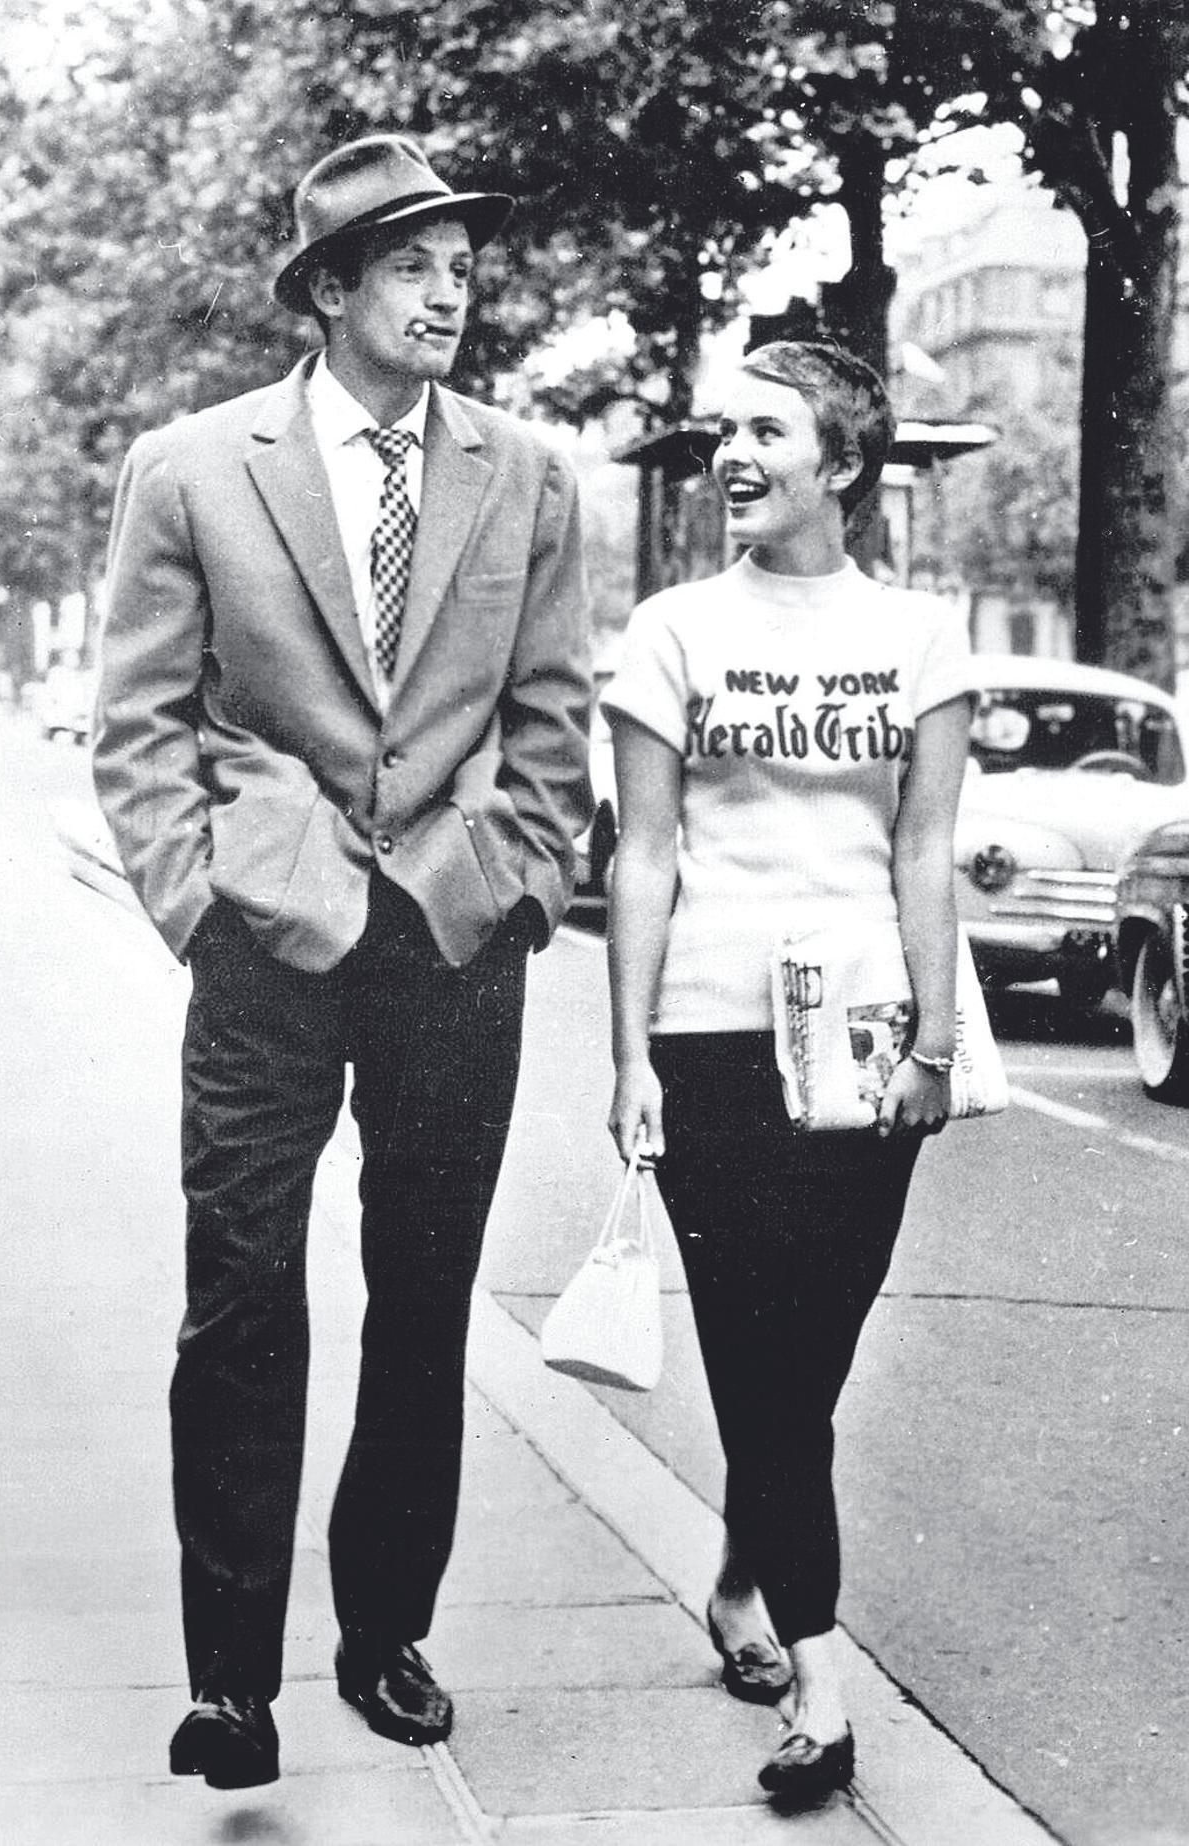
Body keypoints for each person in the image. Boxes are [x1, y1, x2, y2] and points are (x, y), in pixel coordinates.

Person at [93, 133, 593, 1791]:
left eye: (465, 264)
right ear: (328, 291)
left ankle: (385, 1633)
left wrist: (507, 883)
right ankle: (232, 1681)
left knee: (424, 1297)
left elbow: (551, 718)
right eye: (413, 265)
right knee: (237, 1295)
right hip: (268, 936)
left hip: (453, 940)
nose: (454, 291)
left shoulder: (528, 472)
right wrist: (197, 901)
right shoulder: (190, 467)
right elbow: (143, 719)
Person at [603, 340, 970, 1807]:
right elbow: (641, 852)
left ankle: (748, 1570)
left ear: (846, 465)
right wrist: (626, 1052)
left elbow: (924, 846)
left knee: (808, 1354)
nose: (731, 455)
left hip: (869, 1039)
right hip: (707, 1032)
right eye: (723, 431)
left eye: (767, 430)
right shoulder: (672, 629)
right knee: (759, 1353)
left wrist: (941, 1042)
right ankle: (821, 1682)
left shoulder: (922, 634)